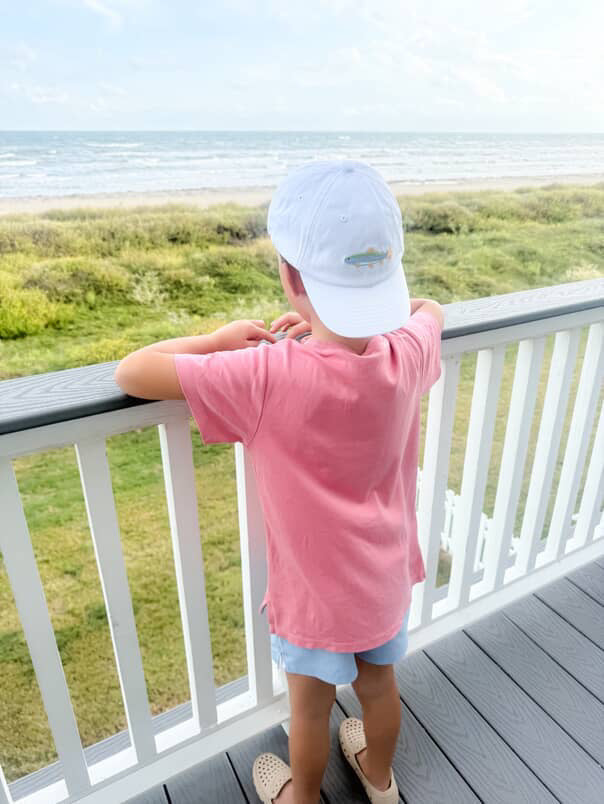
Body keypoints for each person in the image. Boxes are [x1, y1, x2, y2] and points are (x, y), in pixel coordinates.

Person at [114, 159, 443, 804]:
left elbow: (135, 371)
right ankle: (379, 779)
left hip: (316, 601)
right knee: (380, 688)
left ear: (292, 277)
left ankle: (302, 798)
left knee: (311, 712)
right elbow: (433, 309)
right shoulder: (407, 350)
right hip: (382, 583)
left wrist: (214, 341)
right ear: (388, 277)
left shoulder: (267, 375)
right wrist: (374, 312)